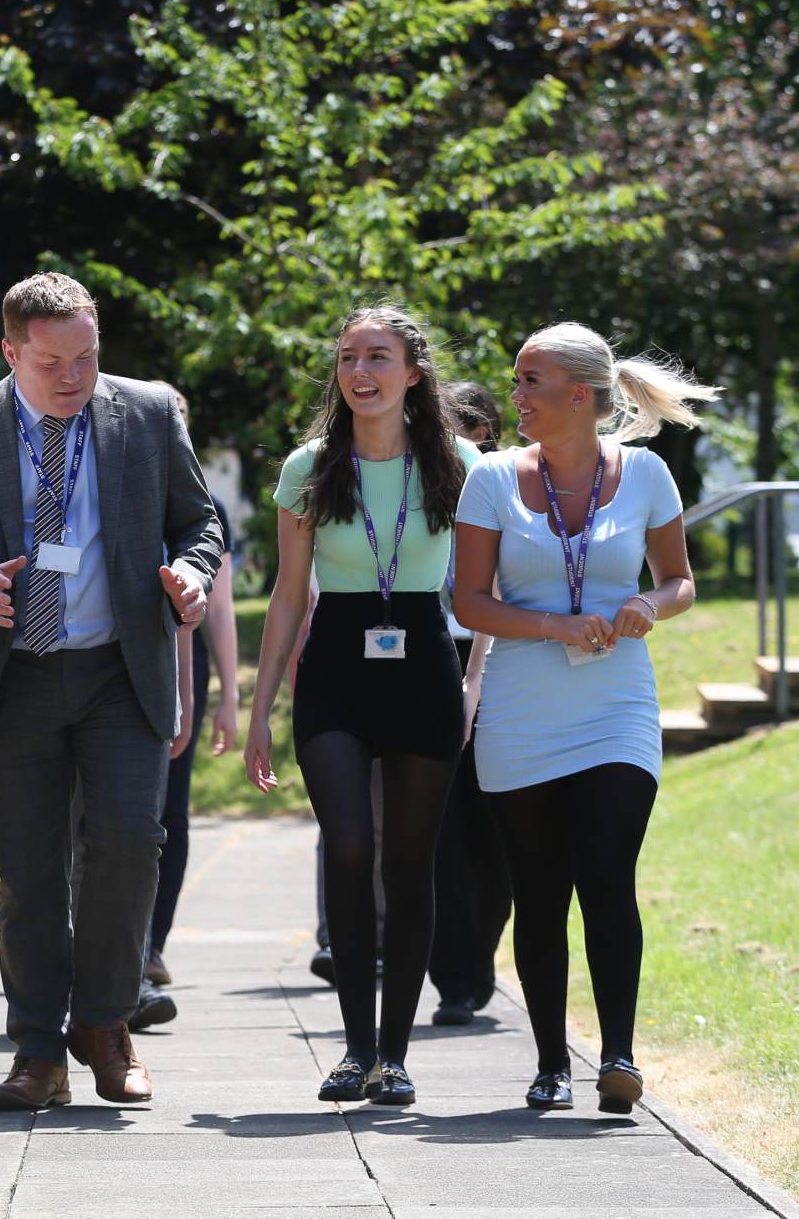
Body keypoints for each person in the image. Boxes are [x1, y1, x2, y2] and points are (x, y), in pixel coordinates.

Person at [0, 272, 224, 1111]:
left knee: (130, 840)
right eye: (51, 361)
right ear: (10, 351)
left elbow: (200, 521)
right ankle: (35, 1051)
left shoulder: (149, 413)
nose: (72, 376)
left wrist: (192, 576)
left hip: (119, 668)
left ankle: (105, 1024)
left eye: (86, 357)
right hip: (12, 673)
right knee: (26, 870)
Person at [451, 321, 715, 1116]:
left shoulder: (646, 476)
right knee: (538, 890)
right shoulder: (490, 479)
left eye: (530, 381)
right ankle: (547, 1063)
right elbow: (469, 601)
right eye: (517, 379)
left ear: (579, 396)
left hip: (615, 706)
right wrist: (554, 625)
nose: (516, 395)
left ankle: (620, 1055)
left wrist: (643, 601)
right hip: (521, 707)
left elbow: (679, 582)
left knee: (606, 874)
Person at [244, 304, 482, 1107]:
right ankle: (351, 1050)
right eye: (347, 357)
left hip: (423, 670)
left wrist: (475, 676)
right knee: (348, 847)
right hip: (337, 671)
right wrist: (258, 709)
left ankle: (394, 1055)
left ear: (413, 372)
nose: (360, 372)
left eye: (377, 356)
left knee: (408, 862)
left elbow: (486, 590)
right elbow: (284, 596)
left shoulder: (462, 465)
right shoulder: (309, 465)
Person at [146, 384, 241, 994]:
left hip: (186, 666)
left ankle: (151, 947)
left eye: (178, 418)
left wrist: (231, 695)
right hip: (116, 663)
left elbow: (225, 607)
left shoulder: (205, 506)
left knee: (170, 813)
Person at [427, 380, 511, 1027]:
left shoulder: (509, 488)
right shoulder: (412, 483)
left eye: (472, 432)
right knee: (440, 828)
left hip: (497, 663)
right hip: (426, 654)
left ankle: (478, 955)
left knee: (495, 831)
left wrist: (477, 674)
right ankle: (452, 976)